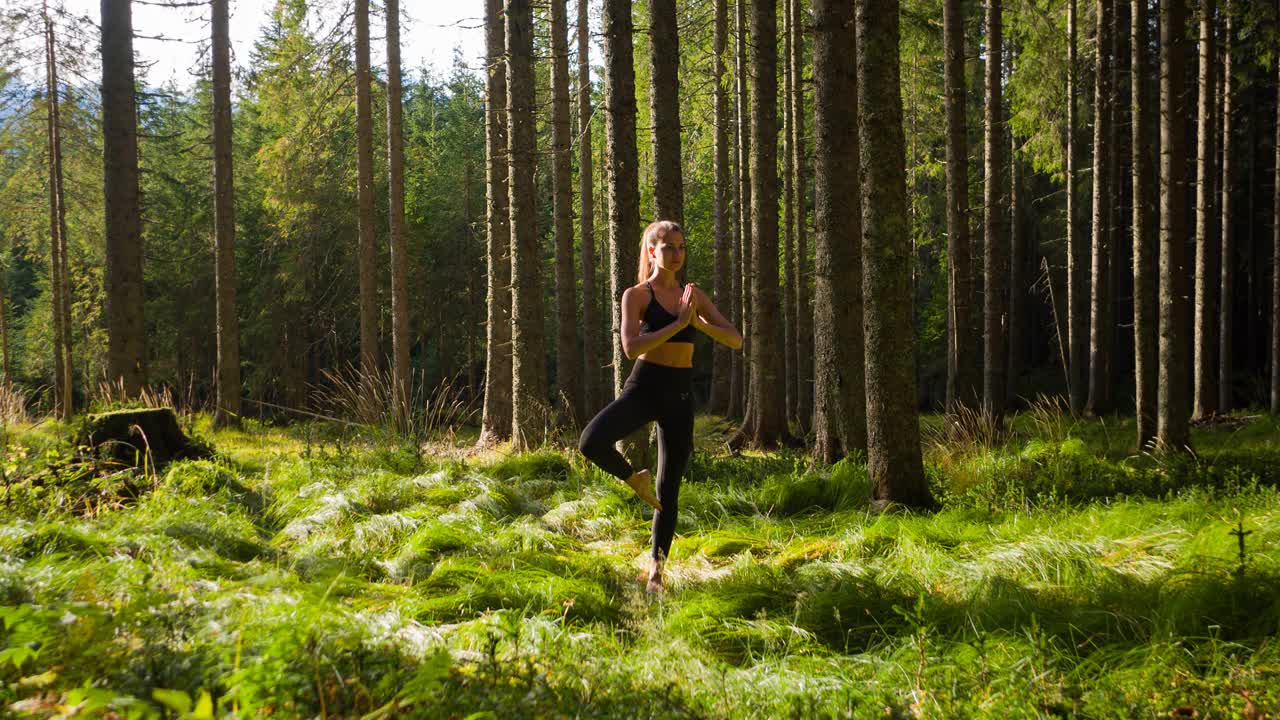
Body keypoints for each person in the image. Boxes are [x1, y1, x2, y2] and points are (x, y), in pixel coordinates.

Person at [578, 220, 742, 593]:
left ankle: (656, 571)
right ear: (652, 251)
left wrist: (699, 325)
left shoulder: (692, 295)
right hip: (645, 386)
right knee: (591, 440)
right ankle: (633, 477)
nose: (677, 254)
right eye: (668, 247)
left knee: (669, 489)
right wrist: (678, 324)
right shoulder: (636, 295)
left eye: (681, 247)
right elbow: (632, 347)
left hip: (679, 395)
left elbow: (735, 340)